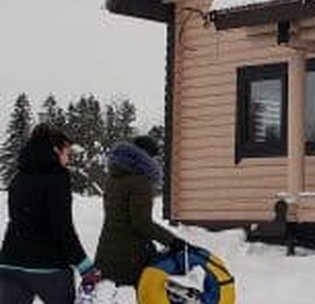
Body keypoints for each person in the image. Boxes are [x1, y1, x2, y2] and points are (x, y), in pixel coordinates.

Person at [0, 123, 101, 304]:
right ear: (55, 150)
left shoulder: (18, 177)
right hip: (48, 268)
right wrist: (84, 266)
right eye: (66, 153)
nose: (67, 159)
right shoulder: (57, 178)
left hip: (10, 264)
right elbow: (62, 227)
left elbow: (20, 220)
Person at [95, 135, 185, 287]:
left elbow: (120, 218)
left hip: (107, 251)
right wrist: (173, 241)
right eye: (154, 158)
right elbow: (141, 222)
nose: (156, 162)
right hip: (129, 256)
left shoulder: (113, 177)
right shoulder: (140, 181)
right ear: (146, 157)